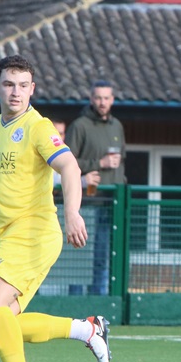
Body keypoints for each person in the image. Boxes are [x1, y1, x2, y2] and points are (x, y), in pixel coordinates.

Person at [0, 55, 111, 362]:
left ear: (32, 89)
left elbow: (70, 168)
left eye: (23, 86)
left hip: (34, 232)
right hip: (8, 236)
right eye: (9, 84)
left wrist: (72, 212)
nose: (16, 92)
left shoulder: (37, 126)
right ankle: (87, 330)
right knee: (3, 320)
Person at [66, 79, 125, 296]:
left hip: (112, 206)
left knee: (105, 258)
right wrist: (98, 164)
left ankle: (100, 302)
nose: (102, 102)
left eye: (106, 98)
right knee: (80, 260)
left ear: (112, 100)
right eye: (98, 97)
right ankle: (75, 302)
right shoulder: (79, 126)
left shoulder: (117, 126)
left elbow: (122, 162)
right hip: (87, 205)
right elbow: (66, 162)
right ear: (91, 99)